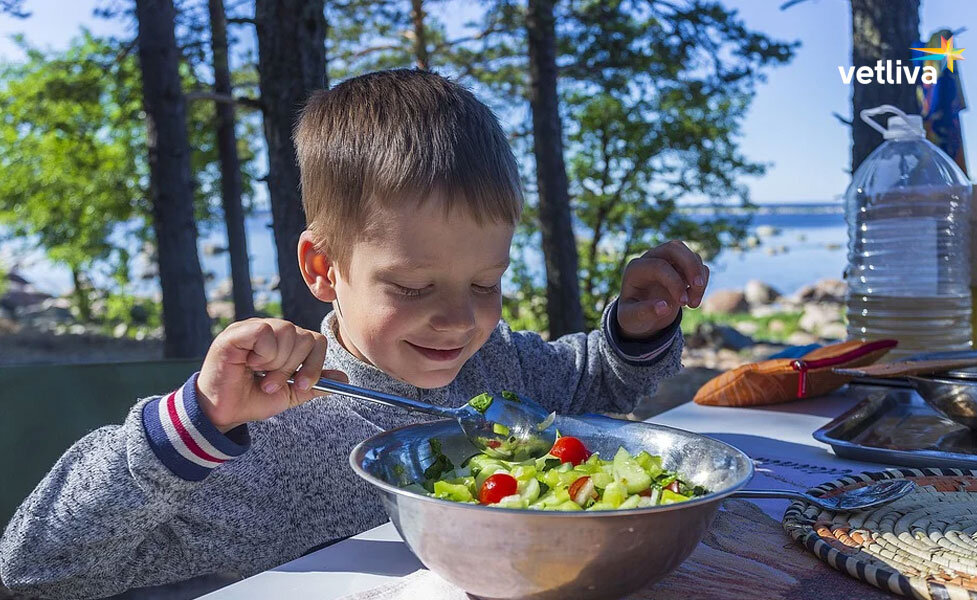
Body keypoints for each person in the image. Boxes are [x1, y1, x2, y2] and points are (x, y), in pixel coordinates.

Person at [0, 69, 707, 599]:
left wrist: (635, 331)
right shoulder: (263, 442)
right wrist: (197, 424)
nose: (461, 320)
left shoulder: (502, 374)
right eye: (411, 287)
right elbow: (37, 569)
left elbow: (600, 385)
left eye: (485, 284)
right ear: (323, 269)